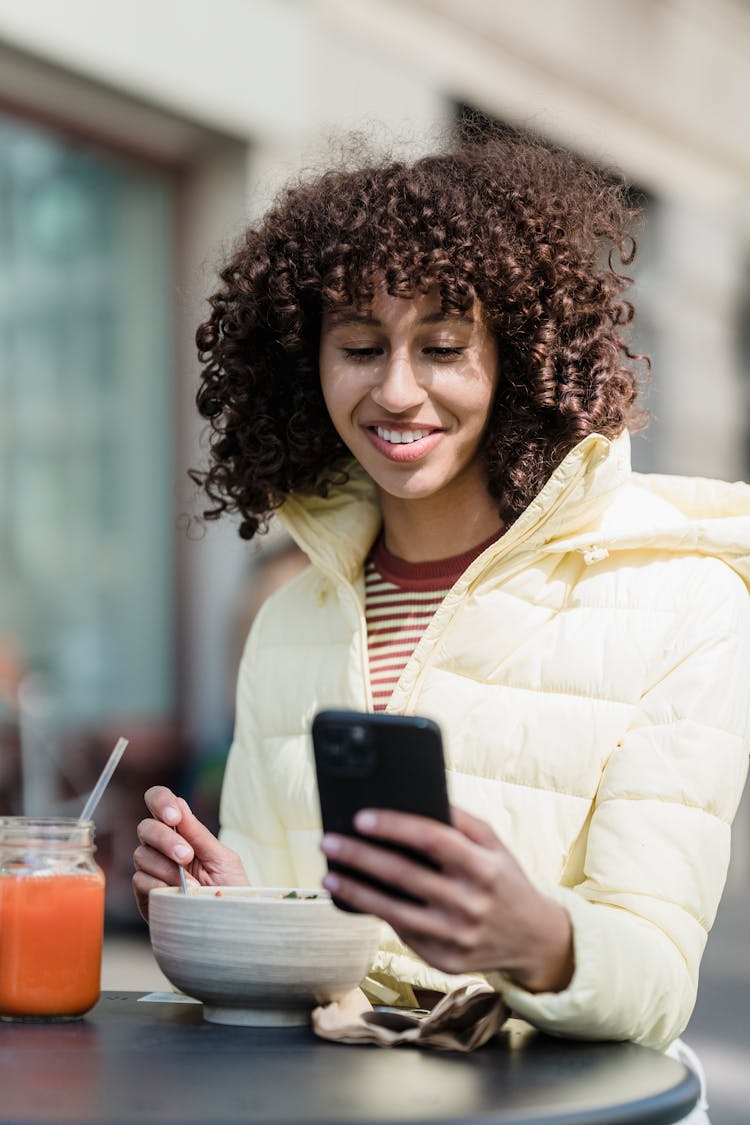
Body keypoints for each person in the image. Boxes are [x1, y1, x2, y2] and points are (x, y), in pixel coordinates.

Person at [133, 128, 750, 1120]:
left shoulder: (682, 598)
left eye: (444, 347)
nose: (399, 391)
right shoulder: (290, 616)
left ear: (517, 357)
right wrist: (234, 905)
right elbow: (311, 964)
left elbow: (657, 978)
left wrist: (534, 937)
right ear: (309, 364)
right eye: (362, 347)